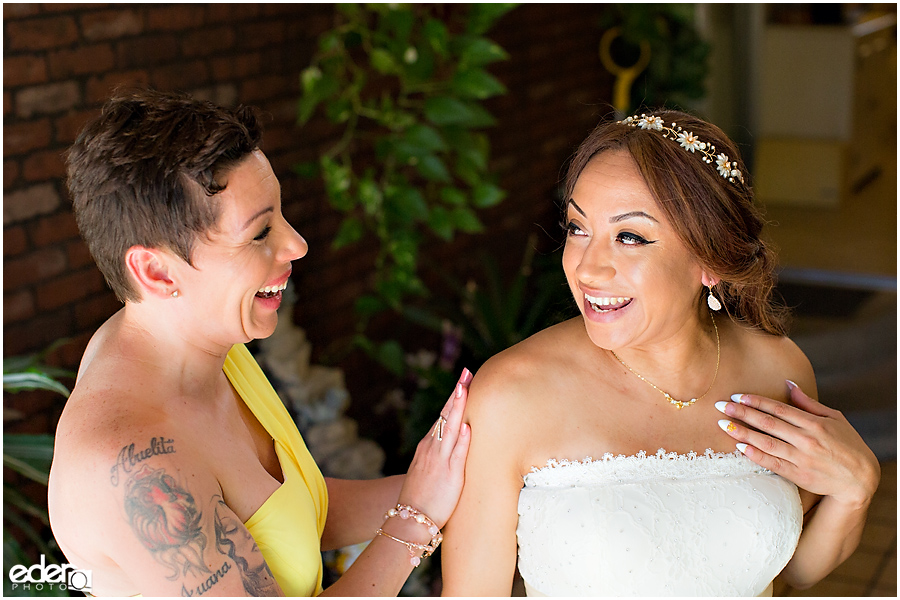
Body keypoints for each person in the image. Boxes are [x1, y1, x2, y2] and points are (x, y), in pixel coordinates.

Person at [47, 88, 472, 597]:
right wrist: (415, 520)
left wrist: (451, 478)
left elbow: (288, 514)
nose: (296, 245)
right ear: (157, 271)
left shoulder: (198, 338)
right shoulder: (133, 466)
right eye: (259, 233)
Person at [440, 110, 881, 596]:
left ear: (710, 260)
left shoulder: (778, 370)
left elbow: (787, 572)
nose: (588, 268)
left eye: (629, 237)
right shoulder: (510, 396)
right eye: (576, 228)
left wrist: (856, 490)